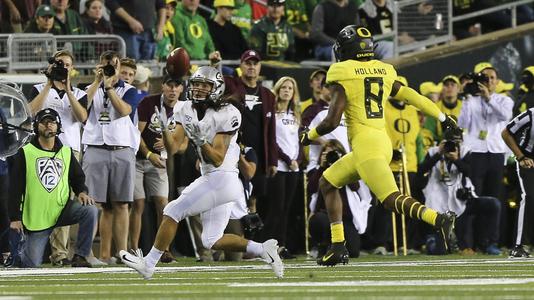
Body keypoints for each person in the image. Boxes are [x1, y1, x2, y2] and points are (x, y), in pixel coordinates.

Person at [300, 25, 458, 266]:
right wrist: (443, 118)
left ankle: (438, 219)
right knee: (327, 182)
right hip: (380, 141)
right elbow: (411, 96)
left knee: (390, 199)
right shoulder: (383, 70)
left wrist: (307, 135)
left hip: (366, 145)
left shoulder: (342, 71)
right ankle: (338, 246)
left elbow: (331, 121)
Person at [120, 66, 283, 279]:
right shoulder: (184, 108)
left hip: (223, 177)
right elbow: (175, 148)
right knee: (211, 239)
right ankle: (264, 249)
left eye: (205, 85)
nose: (198, 89)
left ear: (216, 88)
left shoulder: (228, 112)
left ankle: (149, 264)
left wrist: (201, 141)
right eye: (196, 84)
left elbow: (217, 159)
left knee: (172, 210)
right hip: (212, 177)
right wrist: (164, 132)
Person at [8, 108, 98, 268]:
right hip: (36, 217)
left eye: (52, 122)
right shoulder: (25, 152)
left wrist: (82, 192)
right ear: (36, 126)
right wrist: (15, 218)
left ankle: (80, 256)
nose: (49, 125)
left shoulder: (66, 152)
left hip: (62, 209)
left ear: (58, 126)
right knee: (30, 265)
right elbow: (15, 187)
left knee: (90, 210)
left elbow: (78, 178)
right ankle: (17, 255)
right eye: (44, 122)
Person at [28, 49, 89, 266]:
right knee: (47, 200)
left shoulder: (79, 93)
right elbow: (29, 112)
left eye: (67, 64)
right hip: (43, 152)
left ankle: (62, 254)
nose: (63, 67)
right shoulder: (38, 88)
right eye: (59, 64)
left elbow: (83, 117)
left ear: (72, 69)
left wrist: (69, 88)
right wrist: (48, 83)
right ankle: (55, 253)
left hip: (69, 151)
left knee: (67, 201)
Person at [83, 50, 140, 264]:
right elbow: (81, 108)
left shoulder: (131, 90)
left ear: (118, 67)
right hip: (96, 147)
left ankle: (123, 253)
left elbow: (124, 110)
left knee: (121, 204)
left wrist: (109, 87)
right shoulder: (90, 88)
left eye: (113, 65)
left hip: (121, 149)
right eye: (105, 64)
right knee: (93, 204)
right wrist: (97, 83)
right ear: (99, 65)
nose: (109, 69)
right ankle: (91, 253)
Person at [419, 128, 501, 255]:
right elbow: (422, 170)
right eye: (450, 143)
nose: (453, 146)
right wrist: (438, 154)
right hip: (438, 205)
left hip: (461, 202)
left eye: (457, 143)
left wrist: (456, 159)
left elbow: (470, 173)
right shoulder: (433, 152)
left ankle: (489, 243)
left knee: (493, 204)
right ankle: (431, 242)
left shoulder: (464, 152)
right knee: (441, 251)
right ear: (443, 142)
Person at [131, 74, 183, 262]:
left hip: (162, 162)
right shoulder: (148, 103)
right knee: (138, 203)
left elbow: (183, 144)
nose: (173, 90)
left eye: (177, 86)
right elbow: (136, 134)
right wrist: (148, 154)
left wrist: (171, 145)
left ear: (181, 90)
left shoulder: (184, 108)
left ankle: (163, 250)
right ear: (163, 87)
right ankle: (134, 249)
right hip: (139, 159)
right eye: (170, 85)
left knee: (163, 203)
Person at [224, 50, 278, 219]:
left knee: (253, 198)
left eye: (255, 64)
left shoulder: (268, 95)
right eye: (248, 63)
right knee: (233, 196)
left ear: (260, 67)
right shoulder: (232, 85)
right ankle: (234, 236)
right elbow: (216, 82)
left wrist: (273, 160)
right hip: (234, 150)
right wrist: (213, 65)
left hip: (259, 154)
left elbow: (271, 129)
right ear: (241, 66)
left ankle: (251, 238)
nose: (252, 67)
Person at [458, 62, 513, 205]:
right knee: (474, 195)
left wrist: (488, 98)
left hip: (496, 153)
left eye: (492, 78)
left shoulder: (504, 100)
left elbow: (505, 116)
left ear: (498, 82)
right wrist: (465, 97)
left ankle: (491, 227)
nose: (489, 81)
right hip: (476, 152)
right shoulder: (471, 100)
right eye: (485, 77)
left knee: (493, 196)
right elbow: (462, 124)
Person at [309, 139, 372, 258]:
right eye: (327, 154)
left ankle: (334, 247)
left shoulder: (348, 169)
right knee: (318, 221)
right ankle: (323, 245)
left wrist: (341, 166)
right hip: (324, 216)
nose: (331, 157)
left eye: (334, 154)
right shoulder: (319, 170)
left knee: (353, 252)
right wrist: (322, 167)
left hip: (345, 218)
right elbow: (311, 188)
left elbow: (355, 186)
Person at [261, 76, 302, 259]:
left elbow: (298, 142)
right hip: (279, 167)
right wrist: (286, 158)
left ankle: (281, 246)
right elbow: (272, 141)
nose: (286, 91)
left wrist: (298, 160)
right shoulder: (273, 114)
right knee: (275, 209)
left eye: (290, 88)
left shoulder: (295, 115)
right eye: (283, 87)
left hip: (294, 168)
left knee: (286, 209)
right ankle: (266, 246)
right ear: (277, 90)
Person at [502, 107, 534, 258]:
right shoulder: (531, 114)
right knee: (528, 197)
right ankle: (519, 245)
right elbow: (506, 132)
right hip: (527, 160)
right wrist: (521, 157)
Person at [424, 75, 463, 141]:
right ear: (442, 89)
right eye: (446, 85)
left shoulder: (465, 106)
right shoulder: (434, 107)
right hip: (442, 147)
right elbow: (429, 132)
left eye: (452, 85)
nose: (449, 87)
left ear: (458, 89)